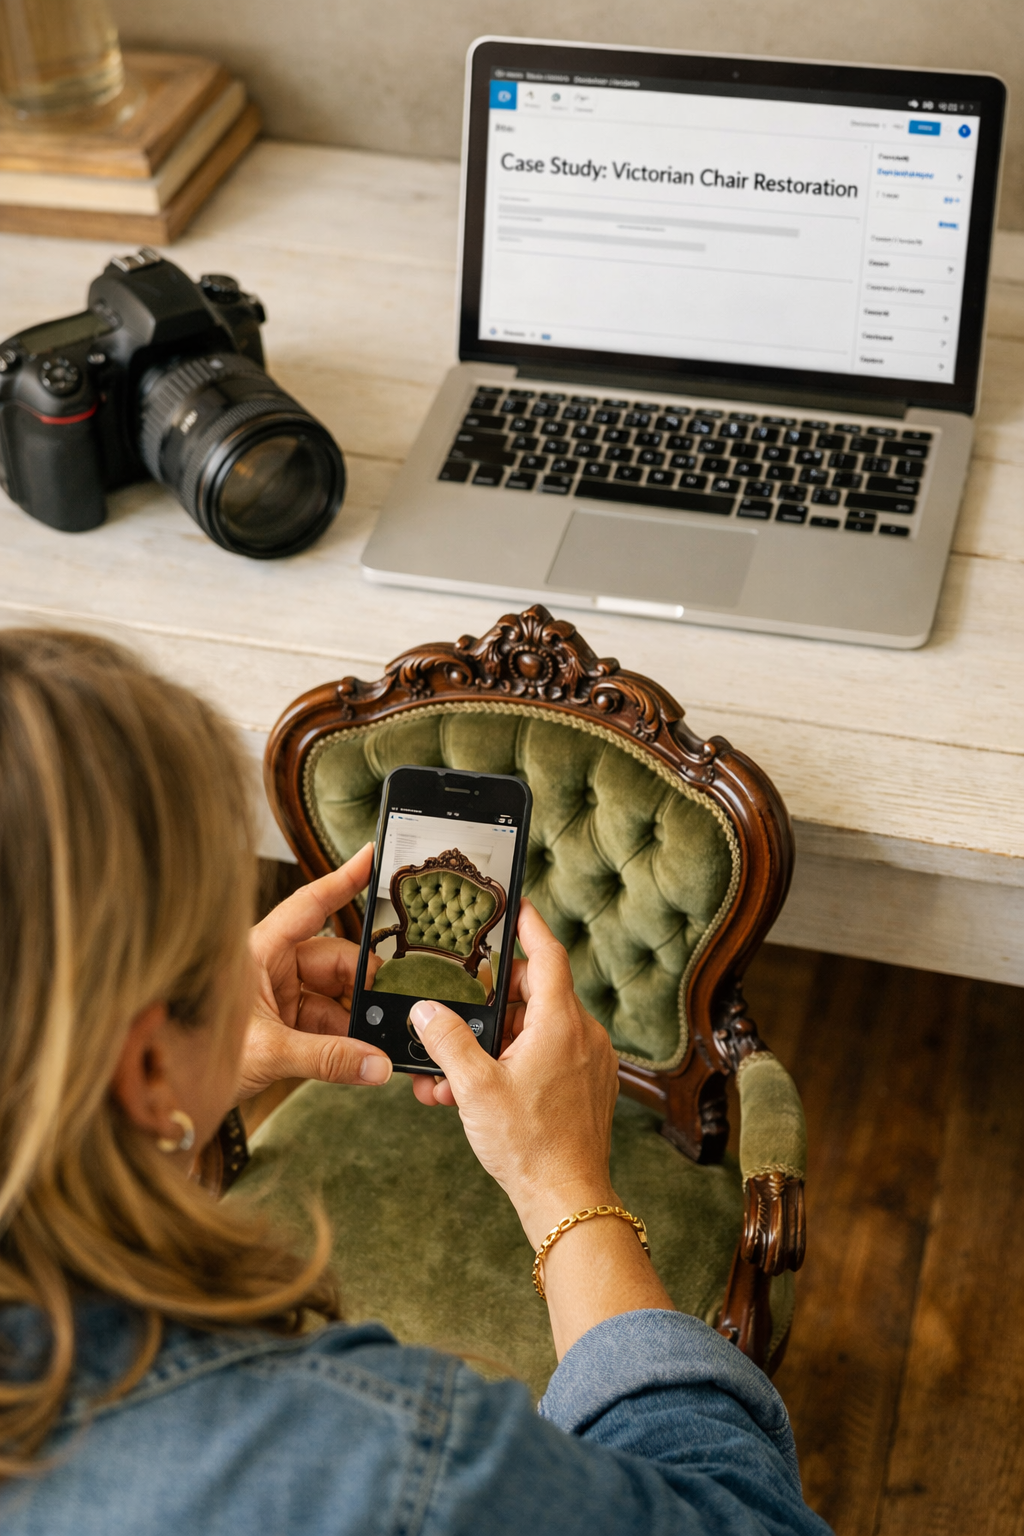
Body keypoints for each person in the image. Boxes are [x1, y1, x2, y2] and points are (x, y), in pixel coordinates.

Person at [0, 628, 831, 1535]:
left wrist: (171, 1103)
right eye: (213, 939)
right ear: (148, 1062)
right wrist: (565, 1186)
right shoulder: (396, 1460)